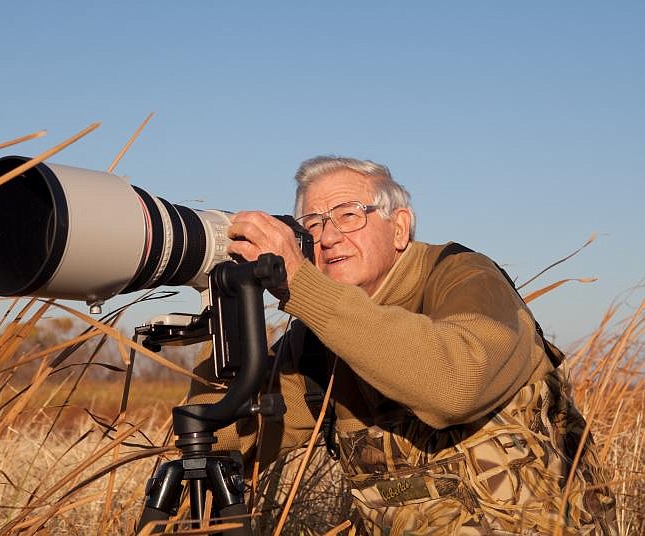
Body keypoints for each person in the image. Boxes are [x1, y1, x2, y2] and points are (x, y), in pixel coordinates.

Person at [189, 156, 617, 534]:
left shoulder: (463, 278)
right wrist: (225, 304)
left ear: (400, 228)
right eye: (312, 224)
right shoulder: (317, 339)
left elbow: (455, 386)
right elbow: (229, 437)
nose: (328, 237)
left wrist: (302, 285)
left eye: (348, 215)